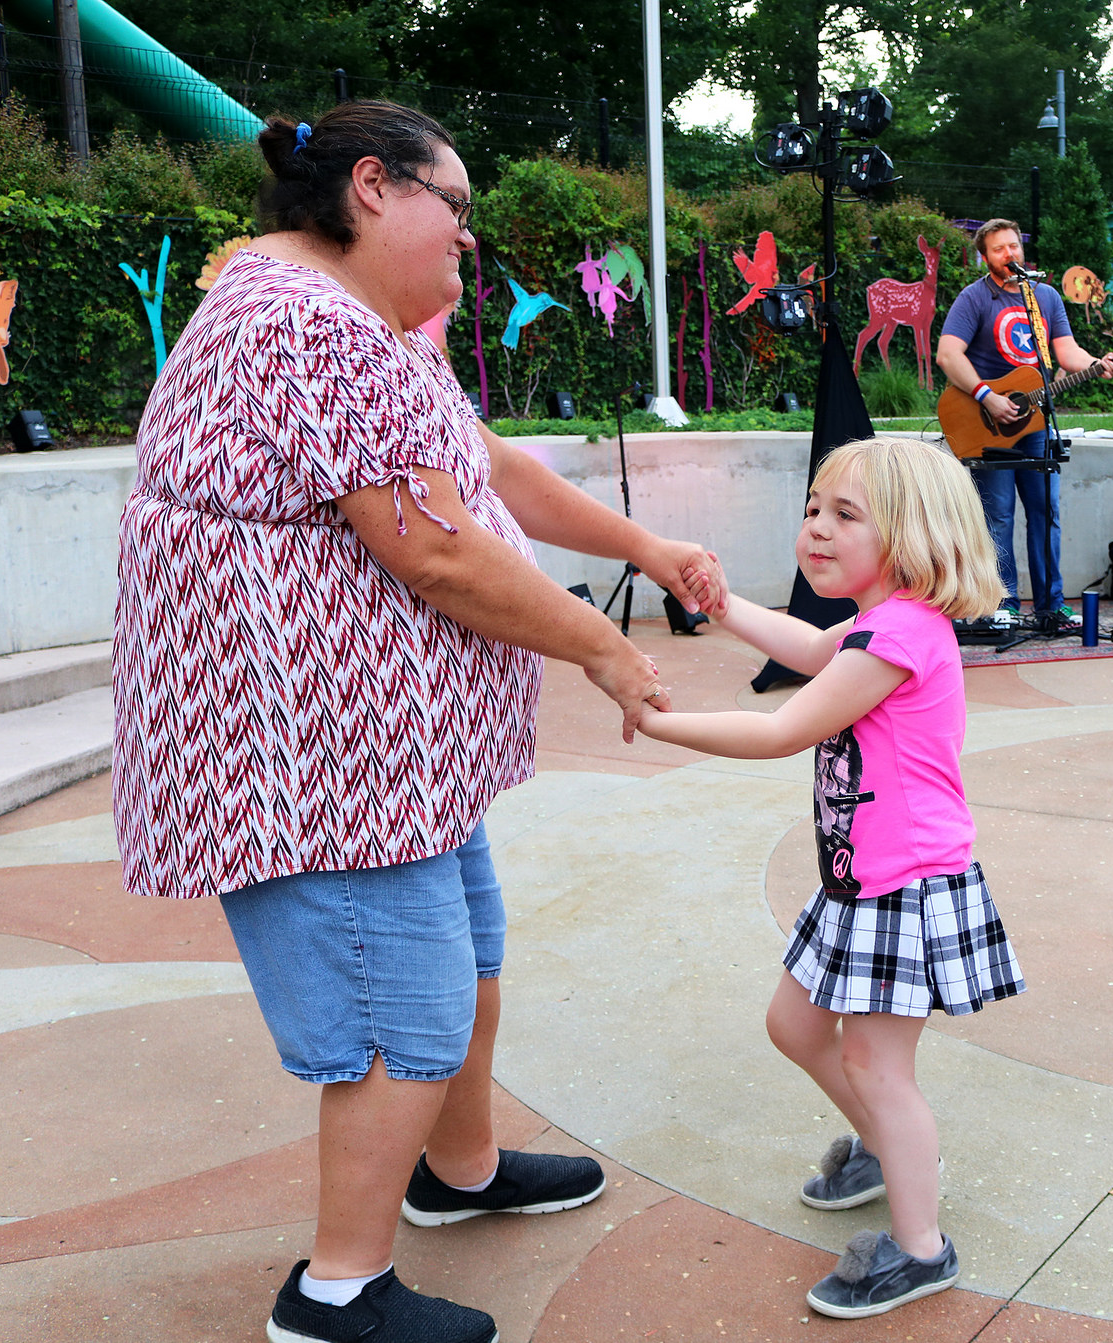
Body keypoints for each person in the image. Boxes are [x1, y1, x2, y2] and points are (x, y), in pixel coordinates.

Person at [112, 100, 722, 1343]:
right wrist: (604, 644)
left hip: (394, 757)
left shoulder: (352, 323)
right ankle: (334, 1293)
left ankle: (462, 1170)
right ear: (376, 188)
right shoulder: (303, 328)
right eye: (456, 207)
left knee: (467, 962)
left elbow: (483, 466)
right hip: (317, 758)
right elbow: (433, 553)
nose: (467, 239)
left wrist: (642, 545)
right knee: (405, 1015)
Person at [637, 436, 1026, 1319]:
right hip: (859, 880)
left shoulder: (904, 635)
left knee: (878, 1064)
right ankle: (889, 1149)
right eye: (815, 507)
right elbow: (812, 648)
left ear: (915, 535)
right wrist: (727, 606)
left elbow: (784, 729)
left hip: (906, 886)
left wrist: (663, 725)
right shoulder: (882, 622)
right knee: (795, 1023)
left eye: (845, 514)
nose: (816, 527)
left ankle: (920, 1248)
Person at [935, 218, 1113, 631]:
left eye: (1014, 246)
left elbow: (1066, 351)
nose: (1010, 254)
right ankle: (1002, 605)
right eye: (1000, 248)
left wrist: (1097, 364)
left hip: (1036, 424)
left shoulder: (1046, 297)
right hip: (987, 426)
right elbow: (948, 355)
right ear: (984, 257)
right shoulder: (974, 298)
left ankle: (1050, 607)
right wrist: (987, 396)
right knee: (998, 517)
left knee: (1045, 513)